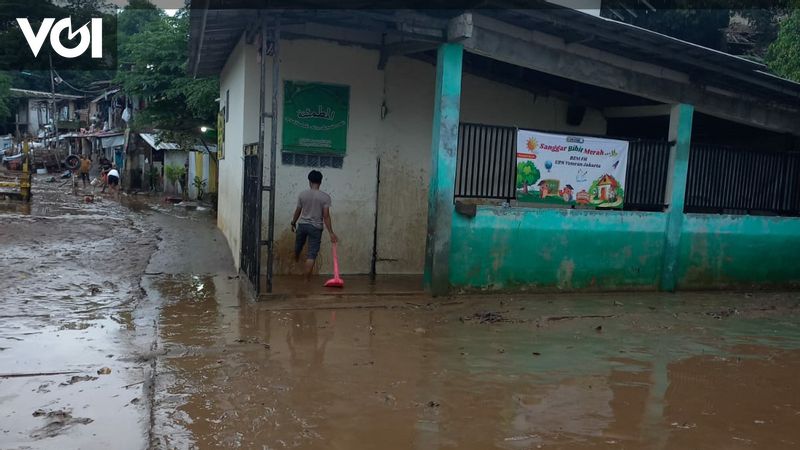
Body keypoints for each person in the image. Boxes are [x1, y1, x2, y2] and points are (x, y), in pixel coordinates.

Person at [291, 170, 338, 279]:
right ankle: (305, 282)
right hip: (316, 228)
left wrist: (293, 222)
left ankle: (295, 264)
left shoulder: (302, 195)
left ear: (309, 181)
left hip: (302, 225)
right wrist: (331, 232)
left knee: (298, 247)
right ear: (320, 182)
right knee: (311, 254)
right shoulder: (325, 197)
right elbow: (326, 216)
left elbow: (298, 211)